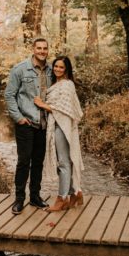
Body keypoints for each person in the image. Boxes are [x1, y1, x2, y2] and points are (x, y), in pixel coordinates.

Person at [5, 36, 53, 214]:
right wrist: (18, 117)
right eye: (39, 48)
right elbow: (9, 95)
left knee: (38, 162)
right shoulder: (20, 70)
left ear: (47, 50)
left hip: (43, 124)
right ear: (33, 49)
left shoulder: (51, 71)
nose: (42, 51)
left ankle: (35, 197)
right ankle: (19, 199)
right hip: (25, 122)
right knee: (24, 161)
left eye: (45, 48)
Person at [33, 55, 84, 212]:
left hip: (62, 126)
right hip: (55, 125)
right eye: (56, 66)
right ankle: (75, 193)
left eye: (61, 67)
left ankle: (62, 199)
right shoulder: (56, 84)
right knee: (64, 162)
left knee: (63, 163)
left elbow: (63, 109)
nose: (57, 69)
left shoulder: (67, 85)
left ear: (67, 69)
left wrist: (42, 105)